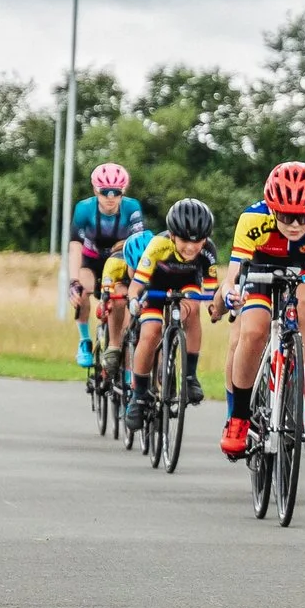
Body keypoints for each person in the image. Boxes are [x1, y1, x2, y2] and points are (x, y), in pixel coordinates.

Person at [217, 162, 305, 459]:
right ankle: (238, 418)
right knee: (254, 330)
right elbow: (233, 276)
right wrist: (230, 292)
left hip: (302, 269)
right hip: (260, 268)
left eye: (303, 217)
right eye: (287, 216)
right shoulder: (252, 218)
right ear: (273, 210)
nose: (296, 225)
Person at [122, 197, 219, 429]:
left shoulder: (208, 251)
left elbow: (212, 290)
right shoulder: (158, 245)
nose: (191, 247)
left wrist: (216, 307)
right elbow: (136, 285)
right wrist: (134, 300)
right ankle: (139, 395)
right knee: (151, 331)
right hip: (155, 286)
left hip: (188, 285)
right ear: (173, 235)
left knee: (193, 307)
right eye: (185, 240)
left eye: (198, 241)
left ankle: (189, 376)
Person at [68, 162, 142, 368]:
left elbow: (137, 246)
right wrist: (73, 280)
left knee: (123, 300)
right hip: (92, 261)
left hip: (120, 262)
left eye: (116, 193)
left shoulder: (132, 207)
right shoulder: (84, 209)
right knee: (82, 291)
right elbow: (75, 246)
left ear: (123, 192)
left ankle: (124, 364)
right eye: (105, 192)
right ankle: (84, 340)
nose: (110, 197)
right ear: (95, 190)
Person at [101, 218, 156, 394]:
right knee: (120, 297)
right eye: (136, 269)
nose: (139, 274)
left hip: (147, 289)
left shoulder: (157, 259)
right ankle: (114, 346)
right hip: (120, 284)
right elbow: (106, 293)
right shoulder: (115, 263)